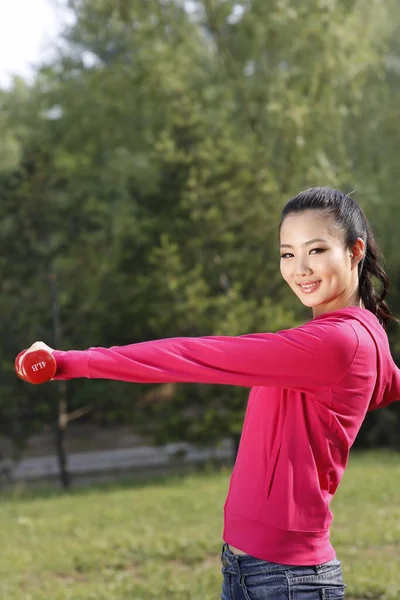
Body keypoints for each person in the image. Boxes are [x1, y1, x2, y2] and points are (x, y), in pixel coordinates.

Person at [22, 187, 400, 600]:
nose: (300, 269)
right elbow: (385, 387)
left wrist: (67, 362)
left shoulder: (337, 342)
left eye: (316, 250)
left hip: (286, 580)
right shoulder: (365, 336)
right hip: (254, 570)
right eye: (287, 254)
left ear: (354, 251)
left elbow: (191, 356)